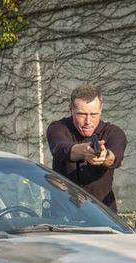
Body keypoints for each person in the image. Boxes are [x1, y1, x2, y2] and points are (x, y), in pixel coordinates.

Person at [46, 84, 127, 213]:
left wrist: (104, 156)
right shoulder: (58, 128)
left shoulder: (114, 133)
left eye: (94, 114)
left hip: (102, 217)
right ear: (71, 109)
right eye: (82, 114)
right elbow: (61, 148)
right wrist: (85, 151)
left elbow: (114, 158)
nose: (88, 121)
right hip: (62, 218)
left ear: (101, 109)